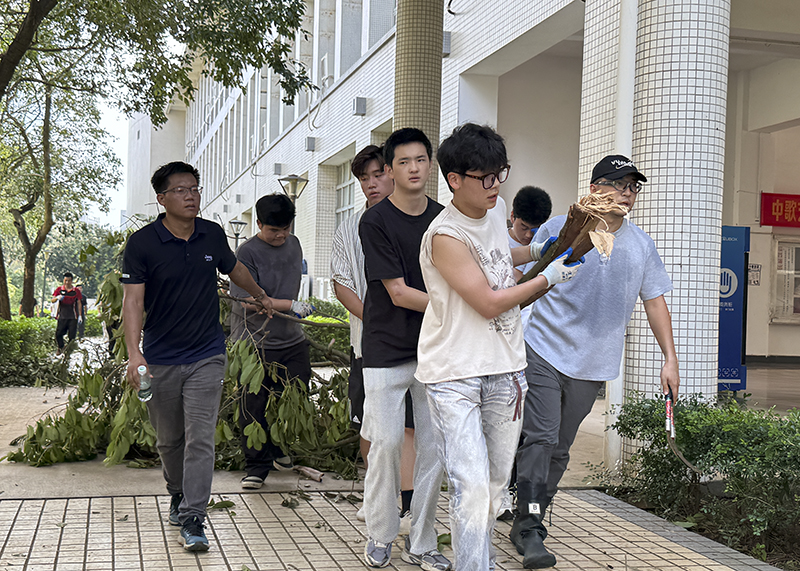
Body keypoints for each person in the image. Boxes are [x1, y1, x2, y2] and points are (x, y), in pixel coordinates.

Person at [417, 123, 581, 571]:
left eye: (500, 174)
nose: (495, 186)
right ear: (454, 179)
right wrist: (548, 279)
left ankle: (478, 558)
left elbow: (496, 256)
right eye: (485, 177)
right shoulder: (444, 236)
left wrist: (540, 252)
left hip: (506, 369)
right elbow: (488, 302)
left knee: (492, 488)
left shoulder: (495, 210)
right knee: (470, 488)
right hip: (454, 375)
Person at [511, 155, 681, 569]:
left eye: (633, 187)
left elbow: (654, 301)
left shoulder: (641, 246)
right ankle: (529, 526)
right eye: (618, 184)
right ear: (594, 188)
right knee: (541, 438)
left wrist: (670, 359)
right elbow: (524, 277)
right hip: (544, 347)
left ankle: (530, 511)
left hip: (593, 362)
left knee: (560, 448)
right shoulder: (560, 227)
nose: (627, 193)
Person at [121, 161, 274, 553]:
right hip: (160, 358)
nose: (190, 196)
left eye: (194, 189)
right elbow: (133, 302)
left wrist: (260, 295)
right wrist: (135, 354)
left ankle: (193, 517)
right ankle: (177, 492)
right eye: (180, 190)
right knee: (169, 440)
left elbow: (235, 269)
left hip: (207, 353)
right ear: (162, 199)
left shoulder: (211, 234)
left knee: (200, 439)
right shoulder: (142, 244)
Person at [358, 128, 449, 570]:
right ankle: (380, 533)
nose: (414, 168)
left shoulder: (445, 218)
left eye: (420, 160)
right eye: (404, 162)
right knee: (387, 442)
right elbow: (397, 292)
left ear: (430, 165)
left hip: (434, 348)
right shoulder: (374, 221)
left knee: (433, 448)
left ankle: (423, 540)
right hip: (385, 347)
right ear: (390, 170)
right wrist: (459, 307)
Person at [330, 144, 418, 526]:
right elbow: (342, 284)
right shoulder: (349, 228)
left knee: (410, 425)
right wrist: (379, 320)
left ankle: (409, 504)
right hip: (368, 344)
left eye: (378, 174)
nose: (372, 183)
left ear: (393, 173)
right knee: (370, 425)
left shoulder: (418, 220)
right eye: (364, 178)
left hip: (417, 344)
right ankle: (376, 494)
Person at [229, 193, 314, 490]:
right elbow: (247, 302)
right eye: (273, 230)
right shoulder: (246, 253)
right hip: (254, 342)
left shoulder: (294, 244)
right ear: (259, 224)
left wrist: (291, 307)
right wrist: (290, 305)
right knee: (253, 405)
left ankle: (278, 448)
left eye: (285, 229)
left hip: (291, 339)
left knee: (294, 394)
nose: (280, 236)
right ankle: (256, 467)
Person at [508, 186, 552, 282]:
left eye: (535, 229)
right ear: (512, 217)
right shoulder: (498, 241)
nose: (529, 235)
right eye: (524, 227)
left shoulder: (544, 245)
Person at [52, 272, 83, 354]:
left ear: (71, 281)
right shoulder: (59, 289)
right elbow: (52, 300)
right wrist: (57, 298)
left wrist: (80, 315)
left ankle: (69, 352)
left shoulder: (76, 291)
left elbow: (79, 302)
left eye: (69, 281)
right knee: (58, 334)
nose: (67, 282)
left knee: (72, 336)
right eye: (65, 280)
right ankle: (61, 347)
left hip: (73, 316)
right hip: (62, 315)